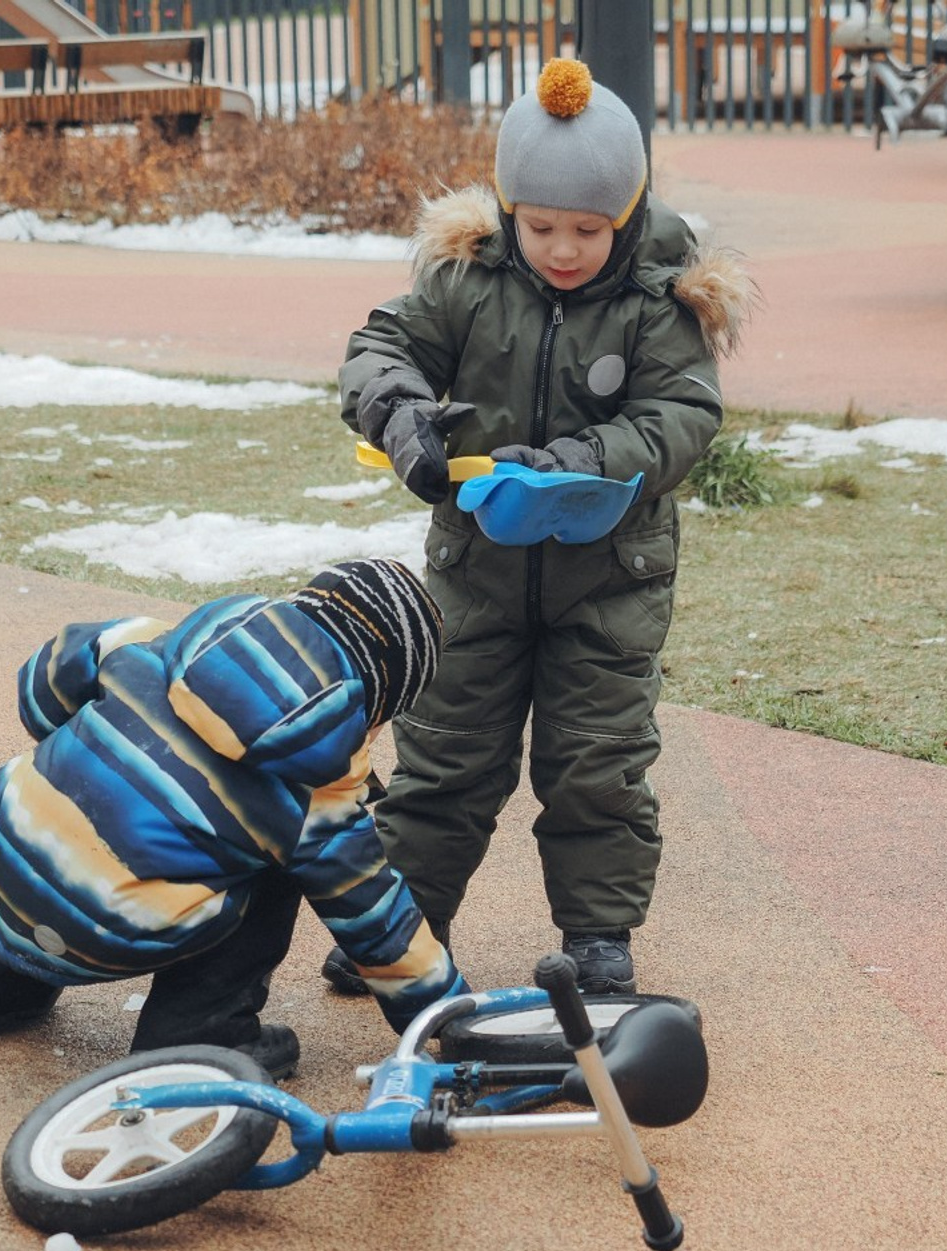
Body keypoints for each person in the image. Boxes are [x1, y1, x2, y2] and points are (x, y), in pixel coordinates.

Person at [322, 59, 757, 998]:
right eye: (543, 226)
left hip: (609, 582)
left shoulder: (658, 300)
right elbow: (381, 346)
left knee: (597, 761)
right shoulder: (468, 281)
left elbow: (680, 415)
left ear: (629, 216)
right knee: (445, 754)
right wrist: (399, 415)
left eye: (590, 231)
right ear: (509, 212)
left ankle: (598, 936)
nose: (565, 249)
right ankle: (403, 926)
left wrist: (575, 465)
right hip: (476, 572)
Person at [0, 558, 465, 1080]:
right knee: (277, 874)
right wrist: (452, 1018)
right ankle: (198, 1035)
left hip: (11, 861)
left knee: (79, 808)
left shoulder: (153, 640)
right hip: (115, 931)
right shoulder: (317, 793)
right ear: (375, 699)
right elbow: (376, 919)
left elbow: (42, 687)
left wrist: (102, 750)